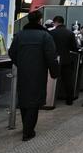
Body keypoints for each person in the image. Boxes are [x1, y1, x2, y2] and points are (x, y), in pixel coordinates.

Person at [9, 10, 59, 141]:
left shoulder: (19, 35)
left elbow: (12, 52)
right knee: (34, 101)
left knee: (24, 99)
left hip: (23, 72)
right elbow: (51, 56)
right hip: (38, 72)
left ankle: (26, 126)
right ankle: (28, 131)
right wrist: (54, 72)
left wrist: (20, 63)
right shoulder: (45, 36)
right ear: (40, 20)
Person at [49, 16, 78, 105]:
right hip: (67, 59)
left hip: (54, 59)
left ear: (55, 23)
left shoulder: (51, 33)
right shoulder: (70, 33)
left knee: (53, 79)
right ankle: (69, 100)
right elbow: (74, 47)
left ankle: (51, 99)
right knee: (68, 80)